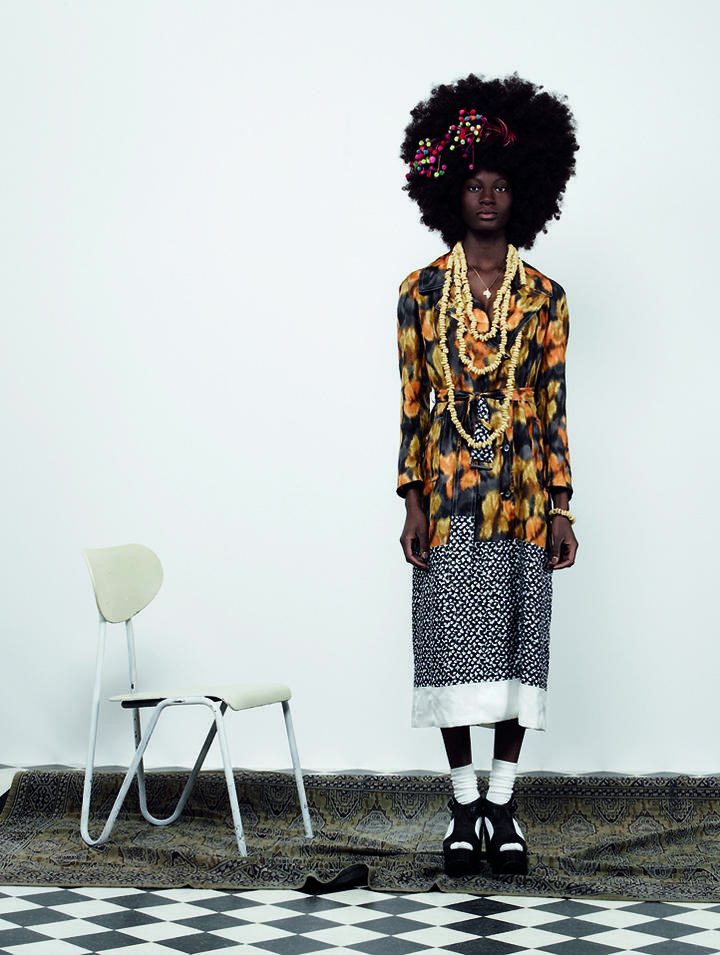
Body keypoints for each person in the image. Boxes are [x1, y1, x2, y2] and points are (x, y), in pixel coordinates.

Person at [396, 73, 579, 878]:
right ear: (450, 191)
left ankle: (503, 805)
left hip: (525, 495)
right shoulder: (419, 293)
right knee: (451, 646)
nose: (488, 199)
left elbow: (553, 403)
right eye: (475, 185)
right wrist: (411, 499)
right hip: (447, 496)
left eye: (502, 186)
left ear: (525, 194)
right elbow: (412, 404)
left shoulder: (545, 298)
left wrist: (563, 505)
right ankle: (463, 803)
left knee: (514, 646)